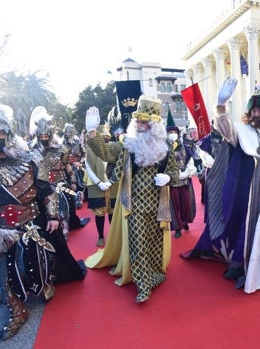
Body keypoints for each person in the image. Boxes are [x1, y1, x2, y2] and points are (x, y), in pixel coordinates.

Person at [183, 77, 260, 296]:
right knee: (242, 226)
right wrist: (220, 104)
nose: (257, 114)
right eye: (253, 110)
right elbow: (225, 128)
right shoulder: (242, 131)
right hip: (245, 194)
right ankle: (238, 264)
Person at [0, 102, 59, 340]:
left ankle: (42, 285)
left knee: (35, 263)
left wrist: (52, 215)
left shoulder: (28, 158)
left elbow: (46, 189)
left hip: (30, 222)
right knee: (1, 274)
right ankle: (16, 309)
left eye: (1, 132)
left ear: (9, 132)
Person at [84, 97, 179, 303]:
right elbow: (107, 154)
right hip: (134, 206)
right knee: (138, 244)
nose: (138, 125)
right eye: (137, 120)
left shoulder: (166, 147)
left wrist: (169, 177)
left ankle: (154, 274)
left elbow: (175, 171)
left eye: (143, 122)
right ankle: (143, 284)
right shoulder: (127, 144)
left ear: (154, 125)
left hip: (157, 206)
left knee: (155, 244)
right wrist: (92, 133)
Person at [30, 106, 90, 240]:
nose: (44, 138)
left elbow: (67, 166)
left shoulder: (61, 149)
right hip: (44, 186)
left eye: (46, 135)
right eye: (41, 136)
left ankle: (66, 227)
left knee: (65, 206)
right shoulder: (32, 151)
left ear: (50, 135)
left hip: (61, 182)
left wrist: (73, 181)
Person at [84, 123, 118, 247]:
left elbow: (119, 166)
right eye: (103, 136)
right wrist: (99, 183)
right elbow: (88, 167)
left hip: (113, 184)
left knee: (112, 212)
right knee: (99, 213)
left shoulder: (114, 148)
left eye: (107, 136)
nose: (105, 138)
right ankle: (100, 236)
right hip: (96, 184)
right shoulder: (91, 149)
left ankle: (113, 236)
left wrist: (111, 181)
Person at [166, 114, 196, 238]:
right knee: (174, 206)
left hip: (184, 182)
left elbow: (190, 162)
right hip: (171, 183)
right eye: (170, 132)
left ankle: (184, 221)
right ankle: (177, 227)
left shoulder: (184, 148)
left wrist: (187, 173)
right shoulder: (163, 149)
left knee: (186, 205)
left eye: (174, 132)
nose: (172, 134)